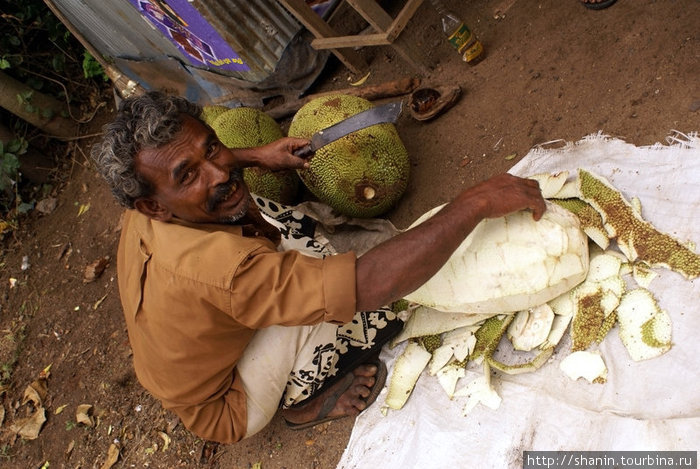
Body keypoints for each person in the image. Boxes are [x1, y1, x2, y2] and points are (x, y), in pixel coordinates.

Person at [91, 91, 546, 444]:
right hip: (226, 402)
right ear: (154, 206)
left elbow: (205, 166)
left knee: (256, 211)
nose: (219, 172)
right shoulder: (227, 271)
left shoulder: (146, 205)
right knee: (375, 305)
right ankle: (304, 404)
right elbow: (365, 284)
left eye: (213, 148)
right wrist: (476, 201)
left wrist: (255, 155)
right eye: (188, 176)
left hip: (193, 338)